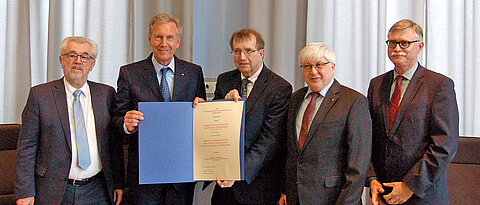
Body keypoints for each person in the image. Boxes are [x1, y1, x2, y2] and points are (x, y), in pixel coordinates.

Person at [14, 36, 124, 205]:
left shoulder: (106, 94)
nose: (78, 61)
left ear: (92, 64)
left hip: (98, 190)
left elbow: (114, 145)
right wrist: (25, 191)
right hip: (54, 191)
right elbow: (27, 147)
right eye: (71, 55)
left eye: (85, 56)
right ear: (61, 60)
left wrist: (118, 183)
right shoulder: (40, 95)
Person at [112, 13, 206, 204]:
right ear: (149, 40)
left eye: (169, 37)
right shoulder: (129, 73)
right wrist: (125, 124)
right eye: (158, 37)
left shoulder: (193, 72)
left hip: (181, 178)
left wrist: (203, 111)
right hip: (144, 178)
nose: (164, 43)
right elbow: (115, 120)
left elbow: (200, 118)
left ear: (178, 41)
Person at [367, 19, 459, 205]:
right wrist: (371, 178)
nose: (397, 48)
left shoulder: (439, 84)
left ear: (420, 46)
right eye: (392, 42)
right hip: (383, 194)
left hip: (423, 195)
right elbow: (367, 136)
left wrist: (410, 186)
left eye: (404, 43)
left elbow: (444, 144)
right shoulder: (376, 84)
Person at [280, 42, 372, 204]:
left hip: (333, 198)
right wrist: (285, 191)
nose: (313, 71)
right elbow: (289, 151)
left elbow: (359, 163)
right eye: (307, 66)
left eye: (319, 65)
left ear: (333, 67)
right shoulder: (294, 99)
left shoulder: (353, 101)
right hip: (296, 197)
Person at [209, 28, 292, 204]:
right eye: (237, 51)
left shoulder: (279, 87)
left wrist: (237, 171)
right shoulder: (224, 81)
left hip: (258, 186)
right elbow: (214, 127)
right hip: (223, 185)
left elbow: (269, 141)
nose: (242, 57)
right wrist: (222, 104)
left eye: (248, 51)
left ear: (261, 53)